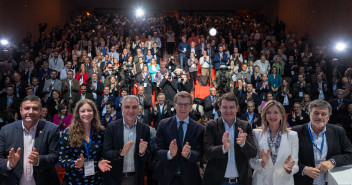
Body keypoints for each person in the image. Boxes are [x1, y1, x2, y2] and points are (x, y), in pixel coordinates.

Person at [0, 95, 60, 185]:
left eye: (35, 108)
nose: (30, 112)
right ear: (20, 111)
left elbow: (55, 156)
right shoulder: (6, 130)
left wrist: (39, 160)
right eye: (27, 108)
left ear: (40, 111)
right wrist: (10, 164)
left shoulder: (52, 129)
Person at [292, 99, 352, 185]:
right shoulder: (296, 132)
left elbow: (350, 154)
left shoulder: (338, 131)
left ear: (329, 117)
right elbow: (287, 157)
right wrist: (303, 169)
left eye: (324, 114)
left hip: (329, 181)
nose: (319, 117)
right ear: (309, 114)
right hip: (303, 181)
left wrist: (333, 161)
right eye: (316, 113)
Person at [203, 92, 257, 185]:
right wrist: (223, 148)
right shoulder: (211, 125)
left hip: (241, 181)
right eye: (225, 107)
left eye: (231, 107)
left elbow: (253, 153)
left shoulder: (245, 126)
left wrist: (244, 144)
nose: (228, 110)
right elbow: (208, 151)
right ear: (220, 108)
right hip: (217, 181)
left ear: (237, 108)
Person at [154, 91, 205, 185]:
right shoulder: (163, 124)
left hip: (190, 178)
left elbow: (200, 153)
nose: (183, 108)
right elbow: (157, 151)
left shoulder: (199, 128)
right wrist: (169, 153)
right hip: (166, 177)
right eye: (180, 104)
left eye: (186, 105)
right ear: (174, 105)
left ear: (191, 107)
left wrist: (189, 154)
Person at [58, 99, 112, 184]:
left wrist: (100, 161)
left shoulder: (100, 132)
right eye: (83, 111)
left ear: (94, 113)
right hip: (74, 180)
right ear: (78, 114)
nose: (86, 114)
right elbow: (62, 160)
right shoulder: (67, 133)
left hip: (95, 180)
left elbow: (103, 154)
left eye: (89, 110)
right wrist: (76, 163)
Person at [103, 95, 151, 185]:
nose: (131, 111)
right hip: (115, 178)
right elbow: (106, 153)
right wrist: (120, 153)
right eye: (127, 107)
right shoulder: (111, 127)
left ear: (138, 109)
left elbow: (149, 156)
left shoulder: (145, 129)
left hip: (136, 178)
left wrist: (142, 153)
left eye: (134, 107)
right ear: (122, 109)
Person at [249, 100, 298, 185]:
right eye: (268, 112)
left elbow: (295, 164)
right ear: (264, 115)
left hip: (284, 181)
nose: (272, 116)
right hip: (261, 181)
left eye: (276, 112)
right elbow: (252, 162)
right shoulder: (256, 133)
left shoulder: (292, 135)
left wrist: (289, 168)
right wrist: (262, 162)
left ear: (282, 115)